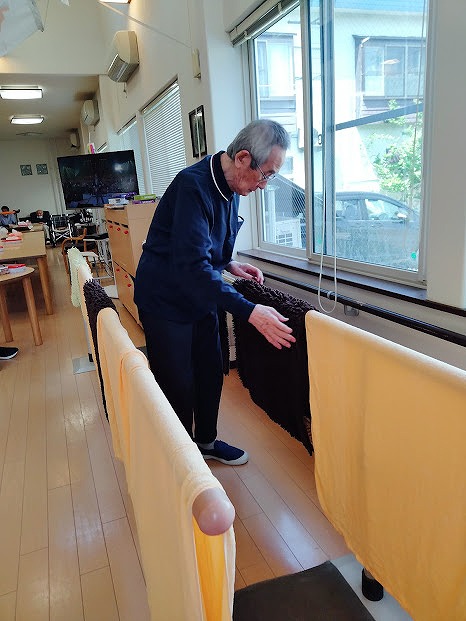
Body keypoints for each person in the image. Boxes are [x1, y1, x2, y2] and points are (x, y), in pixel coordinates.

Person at [134, 119, 296, 466]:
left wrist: (231, 264)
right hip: (165, 299)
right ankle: (180, 463)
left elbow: (207, 248)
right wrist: (251, 312)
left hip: (199, 294)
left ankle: (205, 442)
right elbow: (192, 265)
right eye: (265, 175)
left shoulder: (234, 187)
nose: (264, 185)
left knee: (210, 372)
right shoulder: (192, 186)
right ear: (242, 158)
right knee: (177, 384)